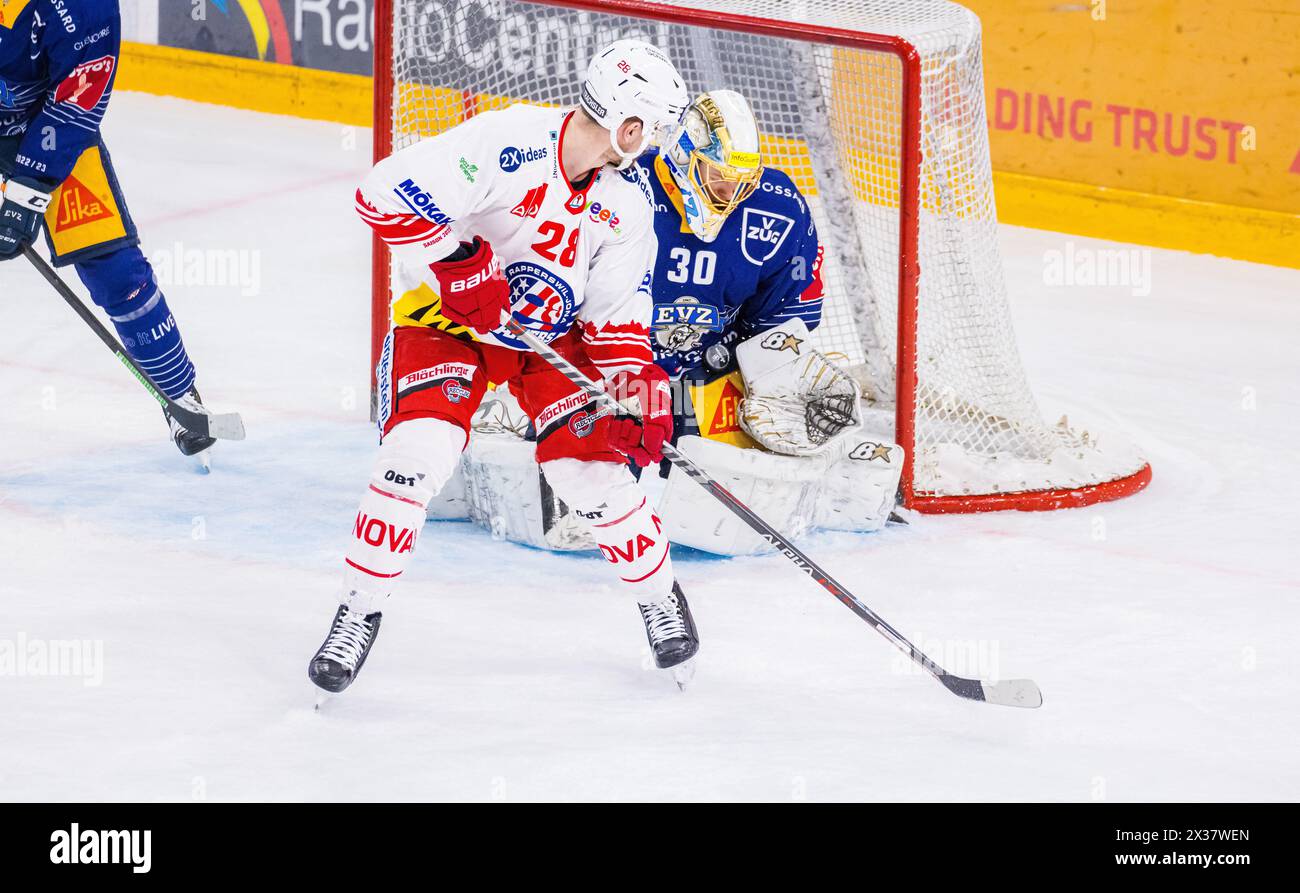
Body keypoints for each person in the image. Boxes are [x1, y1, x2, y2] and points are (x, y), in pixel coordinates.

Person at [308, 40, 696, 695]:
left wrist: (641, 393)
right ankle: (360, 606)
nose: (659, 139)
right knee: (417, 453)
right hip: (447, 320)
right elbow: (378, 194)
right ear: (629, 123)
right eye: (656, 124)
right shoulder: (507, 141)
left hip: (553, 335)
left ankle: (659, 595)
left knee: (590, 470)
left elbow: (615, 321)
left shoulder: (628, 206)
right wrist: (458, 259)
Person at [0, 0, 218, 460]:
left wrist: (26, 194)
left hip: (46, 127)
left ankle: (178, 393)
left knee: (116, 272)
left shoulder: (85, 8)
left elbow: (76, 105)